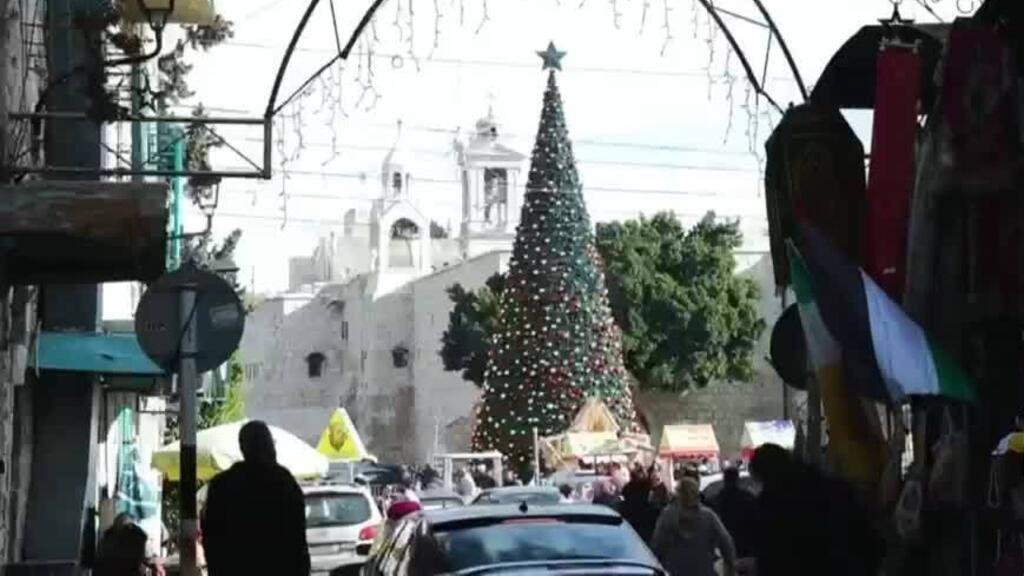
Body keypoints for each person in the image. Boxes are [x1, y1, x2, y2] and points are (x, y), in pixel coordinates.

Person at [749, 443, 882, 576]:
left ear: (761, 476)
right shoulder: (834, 489)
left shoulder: (769, 509)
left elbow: (769, 561)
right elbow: (868, 541)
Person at [202, 421, 310, 576]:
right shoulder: (283, 482)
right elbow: (297, 539)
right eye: (270, 443)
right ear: (267, 446)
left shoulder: (223, 486)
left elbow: (212, 539)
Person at [651, 477, 736, 576]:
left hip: (676, 571)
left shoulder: (667, 516)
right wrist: (729, 569)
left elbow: (656, 546)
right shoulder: (708, 516)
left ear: (678, 494)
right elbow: (726, 543)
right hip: (704, 570)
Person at [708, 467, 758, 561]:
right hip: (746, 540)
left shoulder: (717, 499)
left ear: (725, 479)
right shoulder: (747, 496)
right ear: (737, 479)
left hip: (727, 541)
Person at [620, 468, 658, 543]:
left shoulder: (628, 486)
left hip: (633, 513)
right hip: (646, 513)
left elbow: (623, 496)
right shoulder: (646, 484)